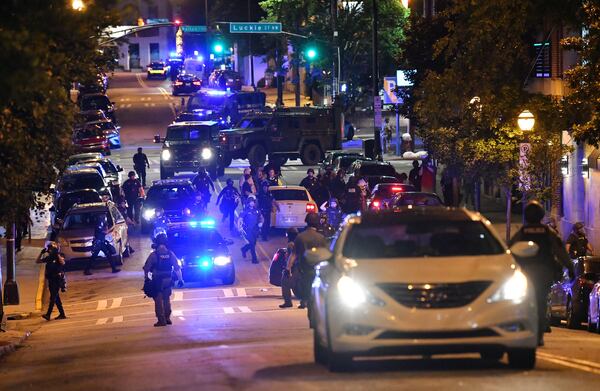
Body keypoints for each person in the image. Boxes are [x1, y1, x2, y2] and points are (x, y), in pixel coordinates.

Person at [509, 201, 574, 346]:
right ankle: (538, 332)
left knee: (522, 300)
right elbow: (560, 251)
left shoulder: (522, 232)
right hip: (544, 272)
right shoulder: (548, 232)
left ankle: (525, 328)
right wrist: (570, 267)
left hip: (525, 273)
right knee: (541, 300)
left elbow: (509, 250)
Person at [287, 213, 327, 309]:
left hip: (304, 267)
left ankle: (304, 301)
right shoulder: (320, 238)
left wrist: (288, 267)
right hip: (317, 268)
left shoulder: (300, 237)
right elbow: (326, 255)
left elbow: (293, 254)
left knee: (305, 283)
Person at [143, 233, 184, 327]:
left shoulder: (154, 255)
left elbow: (146, 268)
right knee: (166, 299)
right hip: (168, 279)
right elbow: (177, 268)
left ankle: (161, 320)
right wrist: (180, 279)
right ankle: (167, 318)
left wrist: (147, 279)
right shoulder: (170, 254)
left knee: (158, 300)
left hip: (157, 280)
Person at [36, 242, 67, 321]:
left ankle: (48, 314)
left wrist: (57, 254)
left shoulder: (59, 256)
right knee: (56, 298)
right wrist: (41, 253)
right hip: (50, 280)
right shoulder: (49, 258)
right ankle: (62, 314)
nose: (50, 250)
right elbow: (38, 261)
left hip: (57, 279)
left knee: (53, 297)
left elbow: (63, 263)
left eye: (51, 249)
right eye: (49, 249)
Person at [279, 228, 299, 308]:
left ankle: (288, 302)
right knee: (298, 284)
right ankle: (303, 302)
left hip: (294, 266)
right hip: (301, 266)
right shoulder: (299, 242)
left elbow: (292, 257)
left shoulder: (291, 244)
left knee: (285, 282)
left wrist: (288, 268)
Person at [239, 196, 262, 264]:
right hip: (248, 230)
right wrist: (239, 227)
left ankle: (244, 249)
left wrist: (261, 223)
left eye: (253, 202)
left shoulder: (257, 210)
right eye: (250, 202)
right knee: (252, 244)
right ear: (248, 203)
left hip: (255, 230)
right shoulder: (245, 210)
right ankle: (254, 259)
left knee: (253, 243)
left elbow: (261, 218)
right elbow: (240, 219)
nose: (252, 203)